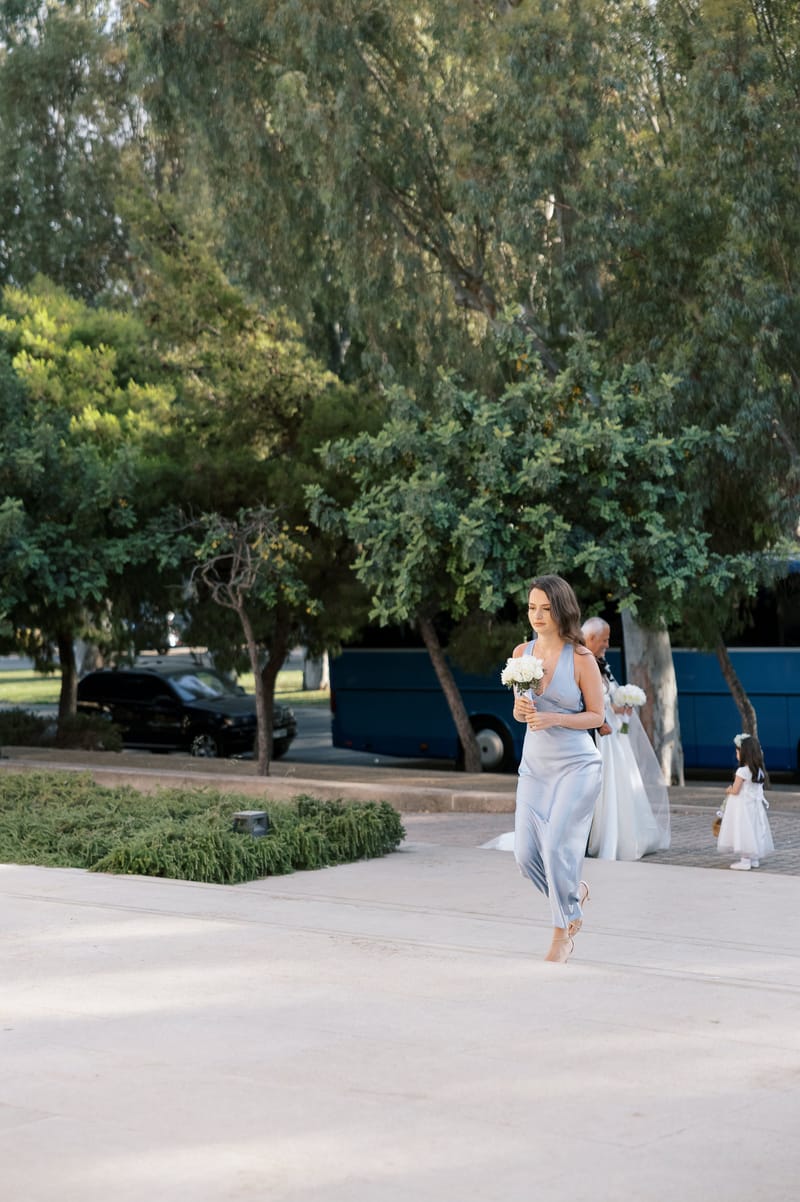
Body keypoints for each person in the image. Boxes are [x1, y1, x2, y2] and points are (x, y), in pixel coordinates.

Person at [507, 575, 604, 964]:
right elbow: (521, 708)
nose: (537, 615)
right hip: (535, 768)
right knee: (525, 854)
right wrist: (520, 711)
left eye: (546, 608)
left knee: (555, 846)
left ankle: (561, 933)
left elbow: (597, 716)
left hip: (576, 767)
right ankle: (572, 895)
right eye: (532, 607)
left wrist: (556, 720)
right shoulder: (521, 652)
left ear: (561, 610)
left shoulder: (580, 658)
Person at [581, 617, 671, 860]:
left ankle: (627, 832)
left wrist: (621, 707)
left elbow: (607, 699)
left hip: (612, 735)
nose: (608, 645)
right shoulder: (580, 662)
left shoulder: (600, 664)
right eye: (605, 639)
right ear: (590, 639)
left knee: (621, 779)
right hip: (600, 735)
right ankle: (604, 834)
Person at [717, 733, 774, 870]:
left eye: (737, 751)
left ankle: (745, 861)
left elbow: (736, 790)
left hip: (742, 807)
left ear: (744, 754)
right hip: (754, 807)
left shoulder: (741, 771)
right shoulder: (759, 771)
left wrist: (728, 790)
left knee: (742, 831)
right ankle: (754, 859)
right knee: (753, 830)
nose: (736, 754)